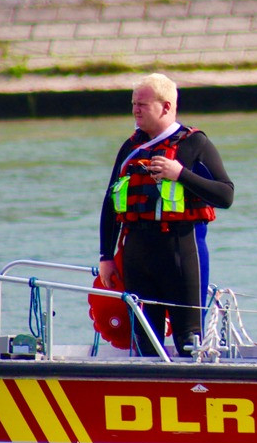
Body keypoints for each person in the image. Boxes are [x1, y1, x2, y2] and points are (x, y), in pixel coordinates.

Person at [98, 73, 234, 357]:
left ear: (166, 106)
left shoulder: (194, 144)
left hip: (180, 252)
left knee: (189, 337)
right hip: (136, 252)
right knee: (145, 337)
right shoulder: (130, 147)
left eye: (143, 104)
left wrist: (180, 174)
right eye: (134, 103)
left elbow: (225, 195)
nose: (135, 110)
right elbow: (110, 203)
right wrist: (106, 257)